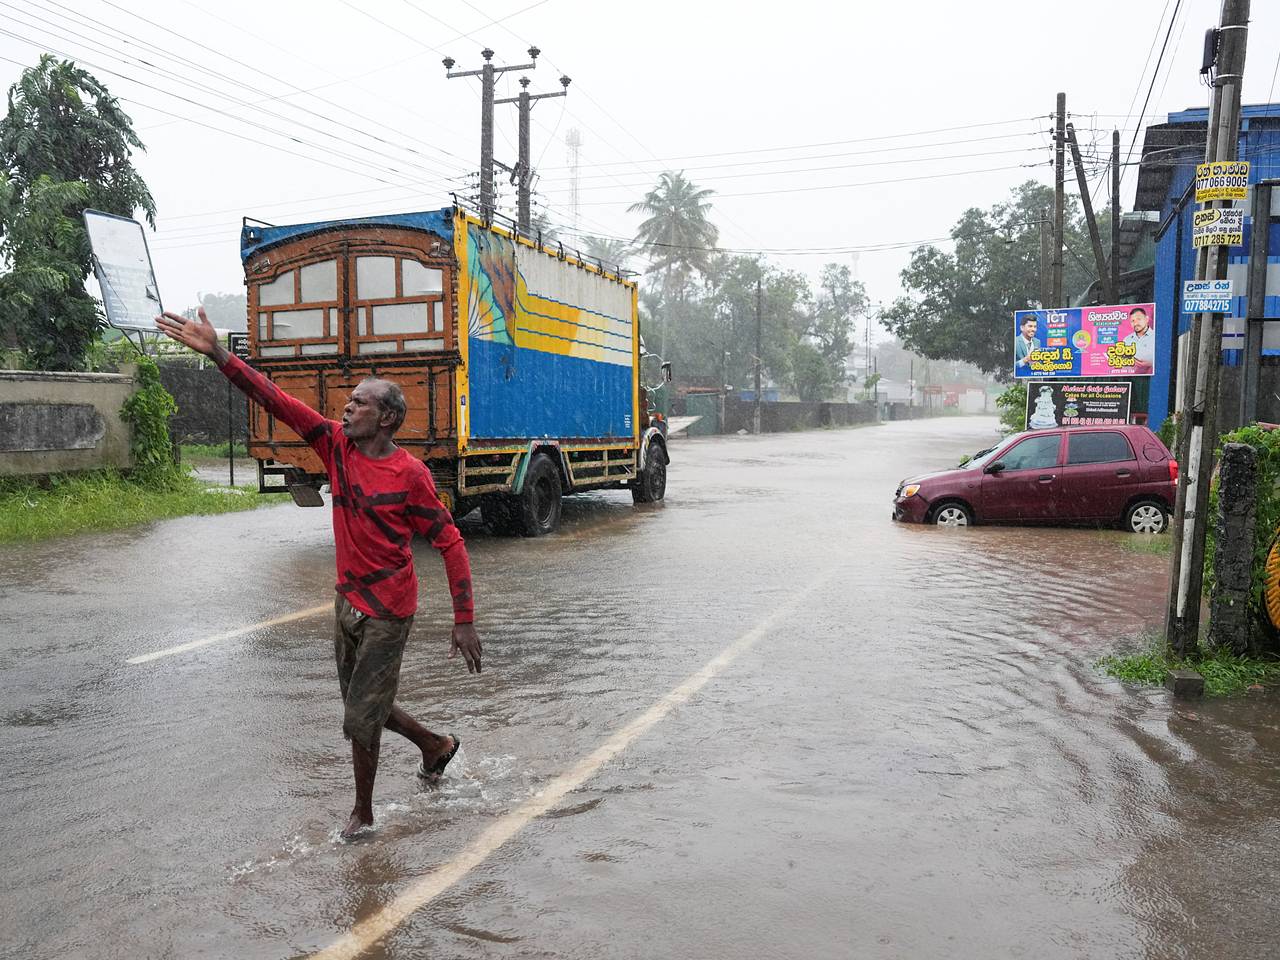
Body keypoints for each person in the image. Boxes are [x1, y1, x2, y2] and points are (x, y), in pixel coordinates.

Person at [156, 308, 483, 839]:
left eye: (359, 402)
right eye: (348, 400)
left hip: (388, 610)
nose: (346, 407)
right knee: (363, 704)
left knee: (359, 715)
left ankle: (363, 813)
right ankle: (434, 745)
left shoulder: (411, 476)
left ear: (386, 419)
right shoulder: (334, 445)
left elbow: (449, 541)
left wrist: (463, 620)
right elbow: (274, 399)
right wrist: (217, 353)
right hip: (346, 601)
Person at [1122, 306, 1155, 374]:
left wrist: (1152, 363)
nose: (1136, 323)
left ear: (1147, 319)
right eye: (1133, 321)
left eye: (1139, 319)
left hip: (1150, 378)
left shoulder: (1156, 337)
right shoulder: (1127, 340)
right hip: (1131, 377)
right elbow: (1122, 365)